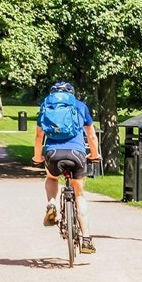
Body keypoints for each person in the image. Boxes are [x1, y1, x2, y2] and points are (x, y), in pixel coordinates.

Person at [32, 81, 101, 253]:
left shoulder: (46, 106)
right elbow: (91, 135)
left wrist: (37, 157)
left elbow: (39, 136)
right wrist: (94, 154)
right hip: (77, 153)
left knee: (52, 177)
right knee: (79, 194)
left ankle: (51, 204)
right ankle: (86, 240)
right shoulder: (80, 106)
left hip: (53, 153)